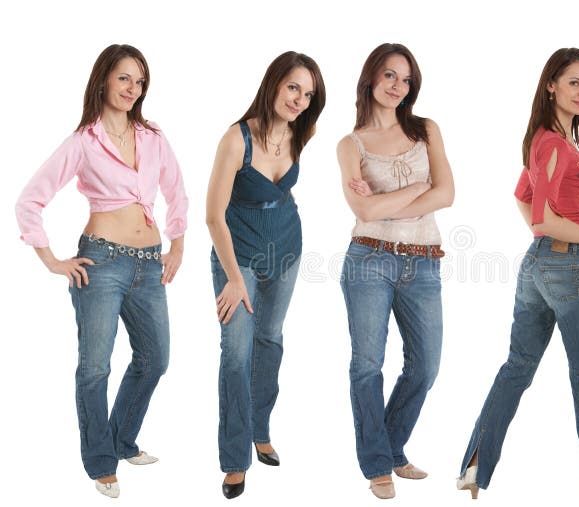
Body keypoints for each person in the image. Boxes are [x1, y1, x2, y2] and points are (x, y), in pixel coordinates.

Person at [456, 48, 579, 500]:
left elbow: (522, 196)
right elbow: (540, 217)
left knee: (517, 368)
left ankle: (475, 469)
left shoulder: (542, 141)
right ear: (551, 85)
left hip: (537, 265)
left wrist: (552, 239)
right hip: (570, 267)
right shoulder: (555, 145)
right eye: (574, 82)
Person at [15, 44, 188, 498]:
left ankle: (121, 440)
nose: (133, 88)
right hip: (102, 261)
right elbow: (29, 200)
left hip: (150, 265)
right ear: (104, 81)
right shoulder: (82, 143)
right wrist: (51, 260)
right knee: (95, 367)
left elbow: (177, 191)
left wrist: (178, 244)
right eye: (125, 78)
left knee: (156, 359)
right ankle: (99, 460)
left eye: (140, 81)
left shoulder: (153, 137)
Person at [205, 51, 325, 499]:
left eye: (307, 93)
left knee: (270, 340)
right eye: (293, 87)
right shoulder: (236, 139)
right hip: (238, 258)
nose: (299, 99)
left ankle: (260, 428)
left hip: (286, 252)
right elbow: (213, 217)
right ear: (274, 83)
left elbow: (280, 191)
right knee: (236, 352)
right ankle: (235, 459)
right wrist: (234, 280)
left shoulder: (298, 133)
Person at [337, 42, 454, 500]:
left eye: (405, 79)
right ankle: (378, 463)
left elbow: (447, 194)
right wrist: (420, 187)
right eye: (389, 75)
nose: (397, 86)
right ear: (371, 78)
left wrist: (386, 202)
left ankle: (390, 446)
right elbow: (361, 208)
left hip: (424, 260)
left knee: (425, 366)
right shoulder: (351, 144)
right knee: (367, 366)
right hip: (369, 258)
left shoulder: (427, 129)